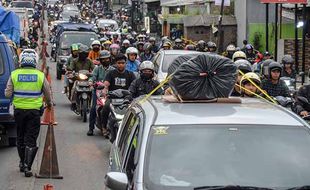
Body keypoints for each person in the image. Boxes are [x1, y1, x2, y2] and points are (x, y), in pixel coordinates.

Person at [5, 54, 52, 177]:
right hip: (34, 112)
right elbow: (47, 94)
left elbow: (7, 94)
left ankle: (21, 162)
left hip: (19, 112)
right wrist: (49, 104)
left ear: (21, 61)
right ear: (35, 62)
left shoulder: (14, 74)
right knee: (31, 138)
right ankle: (28, 166)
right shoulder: (40, 75)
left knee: (20, 137)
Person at [101, 54, 136, 130]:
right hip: (112, 98)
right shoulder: (111, 73)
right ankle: (104, 127)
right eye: (119, 63)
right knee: (105, 107)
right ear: (116, 64)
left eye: (123, 63)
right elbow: (106, 84)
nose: (121, 65)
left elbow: (134, 85)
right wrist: (104, 89)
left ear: (126, 64)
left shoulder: (130, 74)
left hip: (126, 98)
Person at [87, 50, 114, 136]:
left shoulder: (113, 69)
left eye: (107, 59)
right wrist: (91, 83)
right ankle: (91, 128)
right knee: (93, 109)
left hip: (109, 92)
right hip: (98, 91)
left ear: (110, 59)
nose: (105, 61)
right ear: (101, 60)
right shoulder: (97, 68)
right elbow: (93, 77)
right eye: (103, 59)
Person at [67, 44, 95, 110]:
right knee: (73, 86)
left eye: (85, 54)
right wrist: (70, 71)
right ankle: (73, 102)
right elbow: (71, 68)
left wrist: (93, 73)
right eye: (82, 54)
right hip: (77, 78)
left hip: (87, 79)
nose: (83, 55)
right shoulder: (74, 61)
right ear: (79, 54)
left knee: (93, 88)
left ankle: (92, 102)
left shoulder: (89, 61)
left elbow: (94, 69)